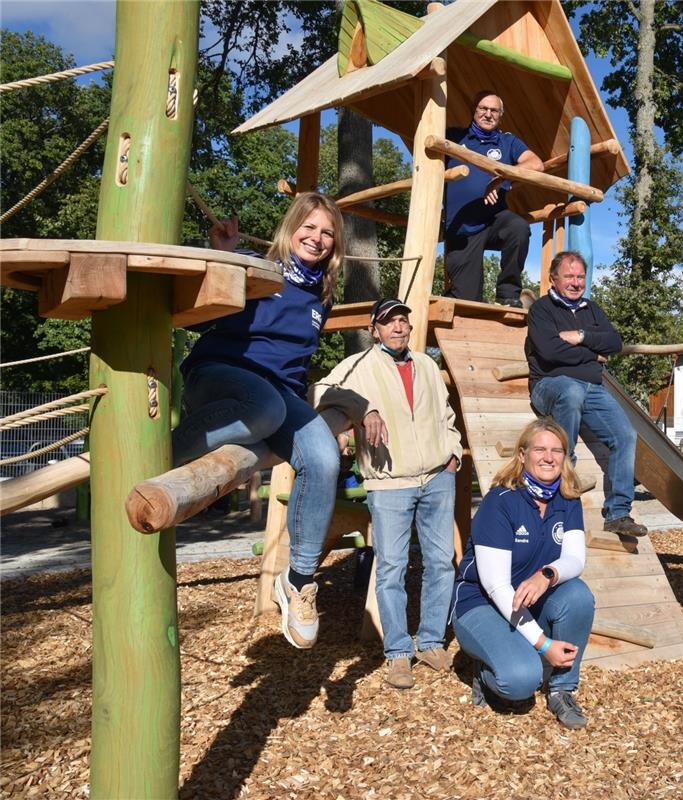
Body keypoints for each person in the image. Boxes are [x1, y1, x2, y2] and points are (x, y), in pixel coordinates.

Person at [174, 193, 345, 650]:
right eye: (309, 228)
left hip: (278, 395)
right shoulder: (255, 266)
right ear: (290, 229)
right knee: (265, 408)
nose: (318, 238)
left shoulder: (320, 295)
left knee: (324, 456)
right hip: (221, 377)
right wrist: (224, 256)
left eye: (327, 232)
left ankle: (299, 580)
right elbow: (192, 311)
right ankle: (165, 453)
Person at [314, 299, 464, 689]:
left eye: (403, 321)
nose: (398, 327)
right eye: (389, 322)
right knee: (392, 568)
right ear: (374, 328)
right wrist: (361, 409)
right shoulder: (360, 366)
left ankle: (431, 641)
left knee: (441, 563)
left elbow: (446, 414)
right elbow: (320, 391)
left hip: (436, 477)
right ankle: (397, 652)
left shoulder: (427, 365)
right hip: (389, 482)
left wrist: (452, 453)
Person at [451, 418, 595, 730]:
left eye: (557, 450)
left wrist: (547, 574)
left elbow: (574, 558)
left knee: (578, 596)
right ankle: (485, 671)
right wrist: (544, 645)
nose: (549, 457)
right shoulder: (500, 503)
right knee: (520, 682)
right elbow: (497, 586)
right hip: (481, 604)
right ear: (522, 455)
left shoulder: (567, 498)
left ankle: (561, 689)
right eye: (540, 449)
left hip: (528, 599)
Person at [525, 250, 646, 536]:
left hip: (592, 387)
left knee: (626, 436)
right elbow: (550, 352)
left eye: (581, 277)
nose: (576, 282)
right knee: (570, 391)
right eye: (569, 276)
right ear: (553, 279)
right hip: (549, 384)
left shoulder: (591, 309)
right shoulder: (541, 310)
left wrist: (581, 338)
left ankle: (618, 513)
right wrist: (593, 356)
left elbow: (614, 342)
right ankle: (565, 481)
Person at [443, 90, 544, 305]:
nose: (488, 114)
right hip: (462, 229)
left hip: (494, 220)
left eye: (494, 110)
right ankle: (450, 296)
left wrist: (501, 176)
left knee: (519, 228)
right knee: (467, 302)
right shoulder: (453, 137)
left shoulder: (507, 142)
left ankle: (508, 294)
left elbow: (536, 164)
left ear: (500, 115)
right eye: (483, 108)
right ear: (474, 110)